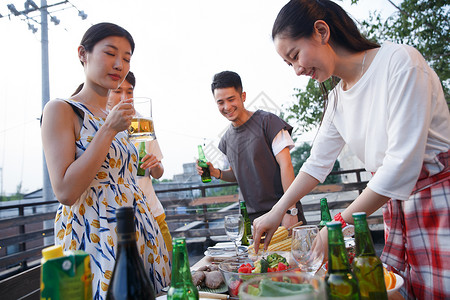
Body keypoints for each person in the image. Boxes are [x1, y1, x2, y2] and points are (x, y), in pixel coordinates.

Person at [253, 1, 450, 299]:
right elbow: (316, 165)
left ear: (321, 31)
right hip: (397, 210)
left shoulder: (400, 61)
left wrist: (335, 226)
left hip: (438, 203)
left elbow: (400, 166)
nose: (297, 70)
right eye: (289, 64)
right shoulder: (337, 100)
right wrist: (278, 210)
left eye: (295, 56)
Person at [41, 22, 171, 299]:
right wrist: (109, 128)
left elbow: (142, 170)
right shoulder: (61, 110)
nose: (119, 64)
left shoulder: (122, 117)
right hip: (94, 231)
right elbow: (65, 191)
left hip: (138, 226)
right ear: (83, 54)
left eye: (126, 58)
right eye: (110, 53)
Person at [198, 70, 306, 228]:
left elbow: (286, 165)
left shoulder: (268, 122)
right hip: (252, 220)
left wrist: (291, 210)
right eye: (220, 102)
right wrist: (216, 173)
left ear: (243, 97)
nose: (226, 107)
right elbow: (237, 174)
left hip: (283, 212)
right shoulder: (226, 140)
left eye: (231, 99)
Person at [107, 71, 173, 254]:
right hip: (118, 220)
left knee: (170, 272)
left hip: (152, 211)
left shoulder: (142, 121)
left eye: (130, 91)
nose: (125, 98)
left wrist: (155, 165)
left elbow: (159, 172)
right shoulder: (99, 124)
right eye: (118, 91)